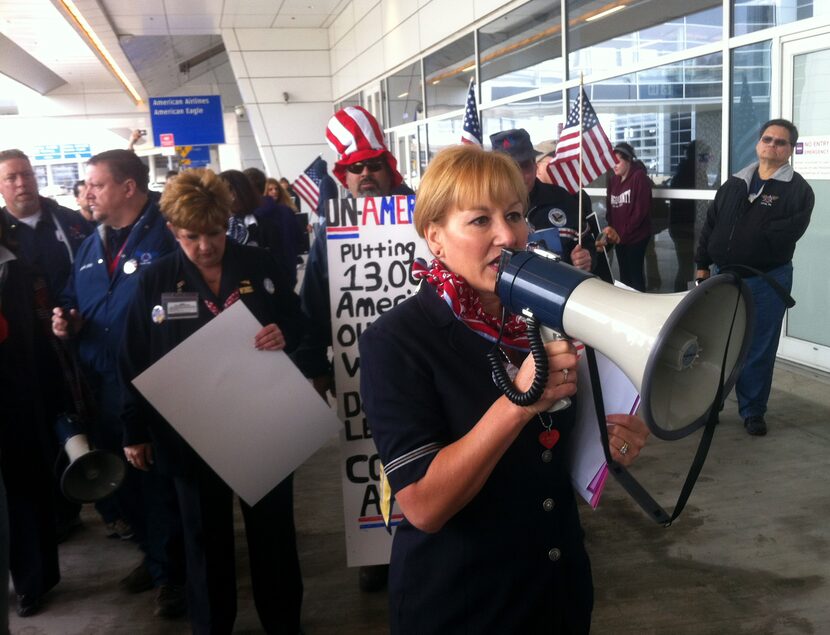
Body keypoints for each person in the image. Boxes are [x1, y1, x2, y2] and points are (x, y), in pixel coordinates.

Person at [359, 144, 649, 633]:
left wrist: (604, 444)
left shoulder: (538, 318)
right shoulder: (397, 341)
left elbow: (548, 450)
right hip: (463, 605)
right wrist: (519, 403)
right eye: (480, 220)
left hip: (556, 594)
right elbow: (424, 506)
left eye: (514, 215)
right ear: (435, 238)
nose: (508, 235)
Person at [119, 168, 305, 634]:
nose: (205, 245)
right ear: (172, 232)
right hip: (190, 434)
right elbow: (133, 358)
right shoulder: (155, 280)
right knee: (205, 540)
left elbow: (300, 323)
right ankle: (211, 626)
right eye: (191, 236)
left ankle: (284, 623)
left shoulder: (260, 266)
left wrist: (287, 334)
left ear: (228, 223)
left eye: (214, 233)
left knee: (274, 536)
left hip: (262, 426)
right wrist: (134, 431)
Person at [51, 149, 185, 618]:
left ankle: (174, 575)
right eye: (88, 185)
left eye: (97, 184)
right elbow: (73, 296)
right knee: (124, 483)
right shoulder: (91, 243)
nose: (88, 193)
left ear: (129, 188)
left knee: (158, 481)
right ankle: (154, 557)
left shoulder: (167, 235)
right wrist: (66, 319)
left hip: (153, 382)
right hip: (100, 384)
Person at [294, 106, 414, 593]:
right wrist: (314, 370)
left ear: (389, 165)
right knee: (370, 455)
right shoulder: (331, 228)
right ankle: (378, 547)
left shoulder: (423, 214)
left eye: (374, 165)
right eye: (356, 168)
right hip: (358, 368)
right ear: (343, 175)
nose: (366, 175)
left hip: (421, 361)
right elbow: (314, 304)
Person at [695, 119, 814, 437]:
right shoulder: (733, 184)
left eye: (781, 142)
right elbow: (711, 226)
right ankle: (711, 406)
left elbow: (788, 232)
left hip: (766, 279)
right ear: (758, 143)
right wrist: (702, 265)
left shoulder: (798, 190)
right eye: (768, 139)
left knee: (758, 348)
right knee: (718, 345)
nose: (772, 145)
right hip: (722, 278)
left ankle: (752, 411)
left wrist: (751, 230)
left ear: (790, 151)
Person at [0, 149, 93, 542]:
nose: (22, 184)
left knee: (91, 418)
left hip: (81, 338)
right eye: (11, 178)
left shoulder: (70, 223)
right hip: (24, 352)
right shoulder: (1, 232)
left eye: (26, 175)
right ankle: (59, 511)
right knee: (40, 428)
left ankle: (107, 500)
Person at [0, 222, 62, 618]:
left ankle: (32, 579)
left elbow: (28, 339)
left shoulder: (14, 270)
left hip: (14, 397)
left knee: (22, 489)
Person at [489, 129, 594, 272]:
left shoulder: (563, 200)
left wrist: (586, 259)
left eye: (524, 166)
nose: (518, 176)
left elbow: (588, 245)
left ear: (535, 166)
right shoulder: (485, 211)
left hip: (561, 290)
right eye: (510, 168)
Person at [602, 142, 653, 291]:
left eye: (617, 161)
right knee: (624, 275)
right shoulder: (614, 181)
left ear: (628, 159)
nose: (614, 166)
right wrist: (612, 232)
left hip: (636, 237)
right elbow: (610, 208)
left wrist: (623, 233)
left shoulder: (639, 177)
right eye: (612, 162)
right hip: (619, 237)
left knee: (635, 275)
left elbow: (641, 211)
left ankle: (640, 305)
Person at [243, 167, 302, 285]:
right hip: (286, 274)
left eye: (276, 189)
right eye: (270, 189)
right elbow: (298, 239)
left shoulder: (243, 216)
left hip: (254, 281)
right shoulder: (286, 212)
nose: (274, 191)